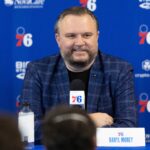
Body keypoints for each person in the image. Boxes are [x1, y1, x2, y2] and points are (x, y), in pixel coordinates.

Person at [20, 6, 137, 143]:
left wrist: (62, 130)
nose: (80, 43)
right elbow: (29, 130)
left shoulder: (120, 70)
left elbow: (129, 129)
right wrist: (88, 121)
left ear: (97, 36)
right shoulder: (37, 70)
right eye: (71, 36)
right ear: (58, 39)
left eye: (87, 35)